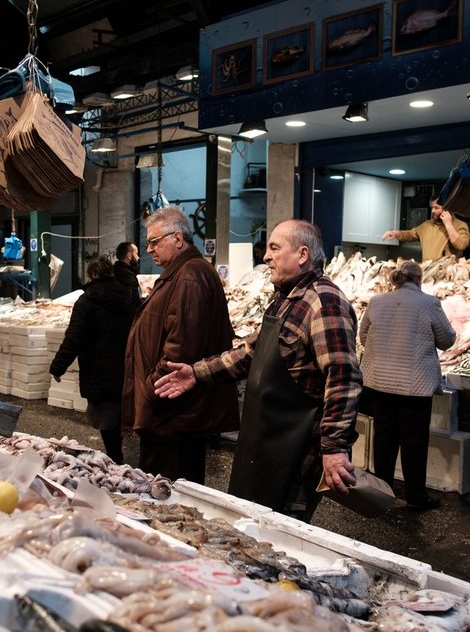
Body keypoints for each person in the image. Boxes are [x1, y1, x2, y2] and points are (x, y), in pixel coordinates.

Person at [155, 219, 362, 522]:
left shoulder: (324, 300)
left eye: (275, 248)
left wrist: (334, 447)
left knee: (280, 530)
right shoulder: (285, 300)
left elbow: (343, 378)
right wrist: (196, 373)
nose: (266, 257)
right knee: (249, 520)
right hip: (265, 440)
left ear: (302, 254)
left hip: (297, 449)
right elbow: (249, 355)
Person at [121, 207, 239, 484]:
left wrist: (151, 389)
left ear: (177, 238)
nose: (149, 249)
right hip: (169, 412)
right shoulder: (180, 274)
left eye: (154, 241)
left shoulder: (189, 276)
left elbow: (182, 348)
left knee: (169, 492)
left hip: (172, 412)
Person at [359, 260, 456, 511]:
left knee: (384, 439)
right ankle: (415, 495)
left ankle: (382, 492)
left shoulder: (377, 302)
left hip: (380, 383)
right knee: (414, 442)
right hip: (415, 386)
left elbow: (363, 336)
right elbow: (447, 340)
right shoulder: (429, 303)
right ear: (419, 280)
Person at [50, 256, 136, 463]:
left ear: (91, 275)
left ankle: (115, 458)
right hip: (128, 366)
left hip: (100, 369)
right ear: (111, 273)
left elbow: (74, 338)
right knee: (123, 411)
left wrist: (57, 367)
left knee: (107, 419)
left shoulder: (87, 301)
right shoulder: (130, 297)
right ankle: (119, 456)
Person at [382, 198, 470, 261]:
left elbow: (461, 245)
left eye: (436, 208)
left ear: (447, 209)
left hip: (447, 275)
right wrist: (396, 233)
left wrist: (448, 224)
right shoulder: (427, 225)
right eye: (432, 207)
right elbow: (410, 234)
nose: (432, 211)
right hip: (427, 271)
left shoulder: (459, 225)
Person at [114, 241, 142, 307]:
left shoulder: (113, 272)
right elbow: (135, 302)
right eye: (136, 254)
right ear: (129, 256)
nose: (138, 257)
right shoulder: (129, 277)